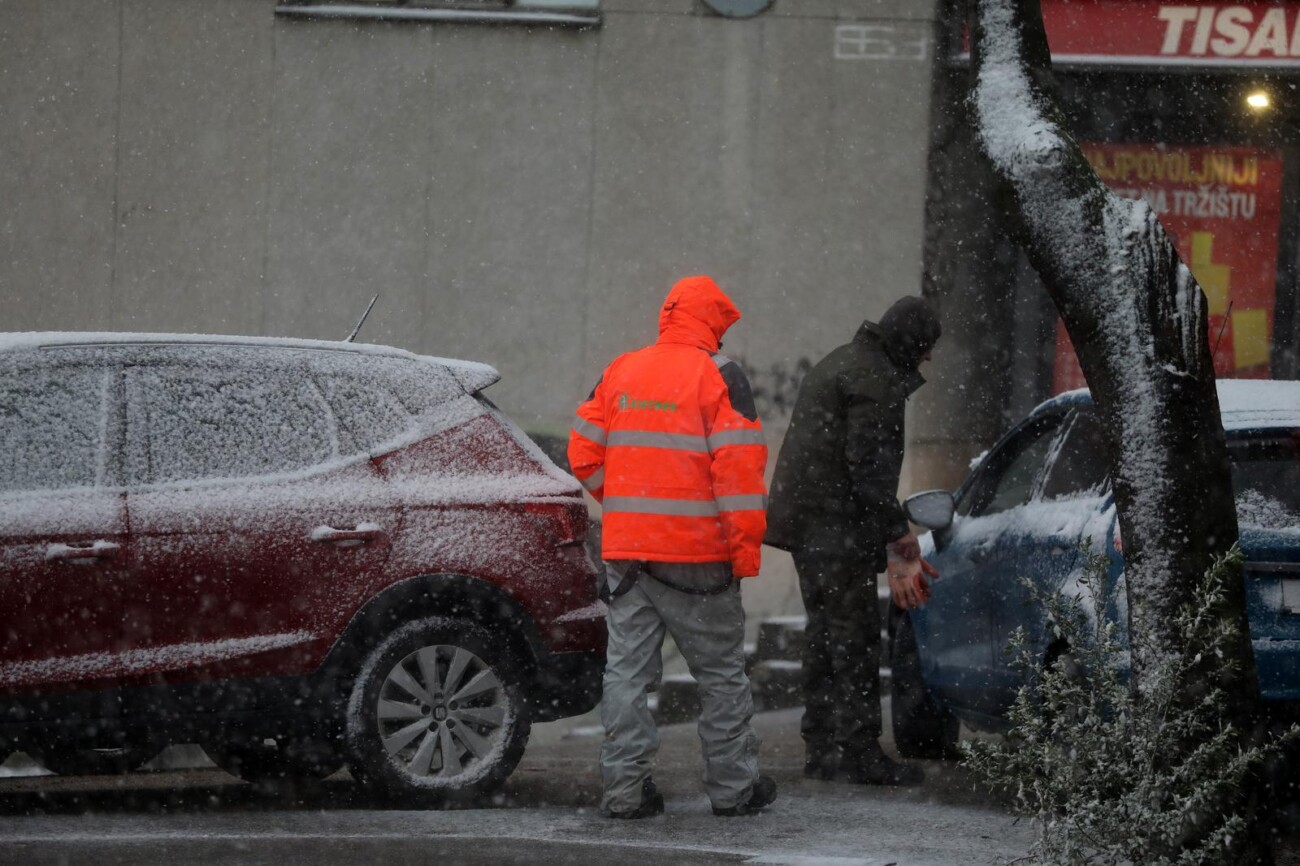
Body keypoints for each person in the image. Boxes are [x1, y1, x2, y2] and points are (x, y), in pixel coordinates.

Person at [568, 274, 776, 819]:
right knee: (721, 678)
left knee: (627, 677)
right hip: (699, 561)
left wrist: (629, 506)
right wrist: (744, 552)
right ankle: (734, 792)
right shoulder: (720, 376)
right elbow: (739, 474)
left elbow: (583, 455)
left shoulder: (620, 370)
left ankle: (624, 793)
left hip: (629, 559)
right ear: (710, 324)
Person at [764, 296, 942, 786]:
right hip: (835, 530)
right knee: (857, 640)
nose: (928, 358)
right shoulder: (875, 379)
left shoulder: (843, 361)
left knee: (823, 638)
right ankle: (862, 754)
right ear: (910, 341)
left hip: (810, 529)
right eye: (926, 346)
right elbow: (867, 469)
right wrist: (898, 532)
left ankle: (821, 750)